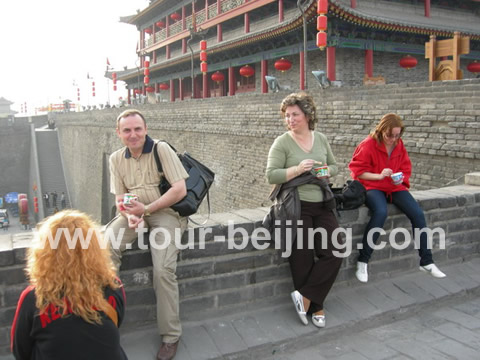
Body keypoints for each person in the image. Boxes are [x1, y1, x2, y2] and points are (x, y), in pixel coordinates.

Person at [106, 109, 188, 360]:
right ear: (119, 133)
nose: (133, 135)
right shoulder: (116, 159)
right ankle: (104, 323)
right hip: (135, 214)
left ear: (145, 129)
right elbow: (121, 197)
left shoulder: (161, 150)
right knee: (104, 248)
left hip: (166, 213)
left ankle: (170, 336)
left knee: (163, 270)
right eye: (127, 130)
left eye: (137, 129)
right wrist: (130, 214)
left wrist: (148, 209)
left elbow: (180, 190)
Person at [265, 92, 343, 328]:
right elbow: (272, 174)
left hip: (322, 204)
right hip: (296, 207)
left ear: (307, 115)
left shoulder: (320, 138)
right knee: (302, 258)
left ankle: (306, 298)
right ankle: (316, 306)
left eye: (295, 114)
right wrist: (298, 169)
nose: (290, 119)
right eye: (287, 116)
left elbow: (336, 166)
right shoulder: (282, 142)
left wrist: (325, 172)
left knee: (335, 251)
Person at [10, 210, 127, 360]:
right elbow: (116, 324)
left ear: (44, 252)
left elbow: (20, 351)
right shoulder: (113, 285)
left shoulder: (33, 298)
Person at [349, 113, 446, 283]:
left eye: (397, 135)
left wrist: (401, 177)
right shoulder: (368, 144)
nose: (393, 139)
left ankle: (427, 261)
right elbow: (358, 172)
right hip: (372, 186)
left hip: (394, 186)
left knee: (417, 214)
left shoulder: (399, 145)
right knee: (380, 212)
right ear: (381, 131)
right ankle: (363, 260)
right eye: (389, 135)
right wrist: (379, 176)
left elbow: (405, 167)